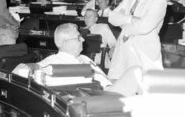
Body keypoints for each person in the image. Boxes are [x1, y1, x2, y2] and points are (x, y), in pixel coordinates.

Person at [13, 23, 141, 96]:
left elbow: (106, 80)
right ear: (64, 42)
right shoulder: (52, 62)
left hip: (109, 92)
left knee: (147, 77)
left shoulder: (84, 58)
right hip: (98, 99)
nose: (83, 40)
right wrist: (30, 67)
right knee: (137, 71)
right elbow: (19, 72)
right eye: (78, 37)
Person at [108, 0, 167, 80]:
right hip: (123, 50)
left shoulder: (158, 0)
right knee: (116, 87)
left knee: (141, 91)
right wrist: (130, 18)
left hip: (143, 51)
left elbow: (144, 26)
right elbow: (112, 17)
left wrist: (125, 26)